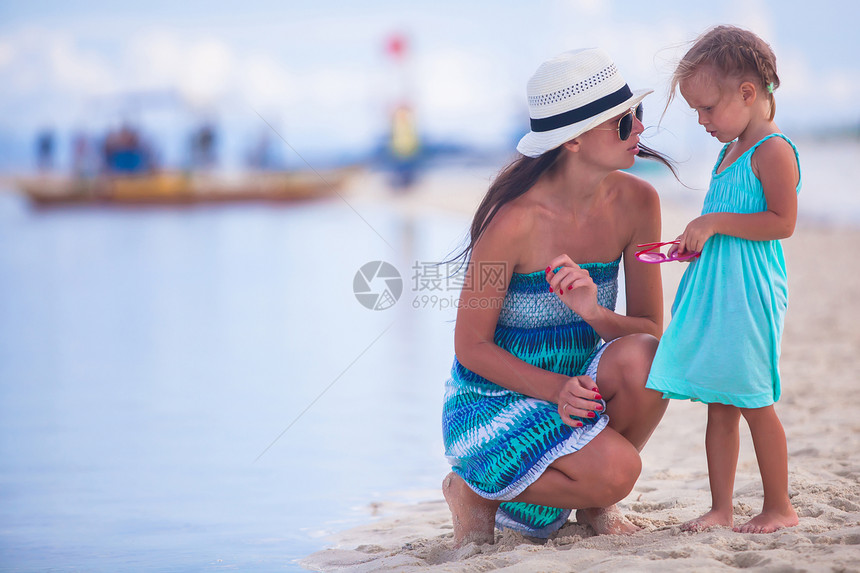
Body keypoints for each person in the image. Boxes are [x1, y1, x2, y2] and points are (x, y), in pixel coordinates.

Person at [441, 48, 674, 546]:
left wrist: (592, 311)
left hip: (580, 393)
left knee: (649, 360)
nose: (638, 130)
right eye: (621, 123)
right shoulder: (511, 221)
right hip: (495, 402)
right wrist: (552, 389)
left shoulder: (639, 203)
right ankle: (476, 493)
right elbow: (470, 347)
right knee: (619, 469)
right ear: (571, 141)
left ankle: (590, 501)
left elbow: (650, 329)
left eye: (637, 115)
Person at [646, 25, 801, 534]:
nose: (702, 120)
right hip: (721, 293)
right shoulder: (728, 153)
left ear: (748, 93)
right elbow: (730, 225)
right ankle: (721, 508)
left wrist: (714, 224)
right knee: (720, 402)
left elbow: (781, 222)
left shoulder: (772, 151)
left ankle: (779, 505)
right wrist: (700, 245)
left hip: (751, 297)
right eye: (695, 110)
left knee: (755, 400)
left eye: (708, 108)